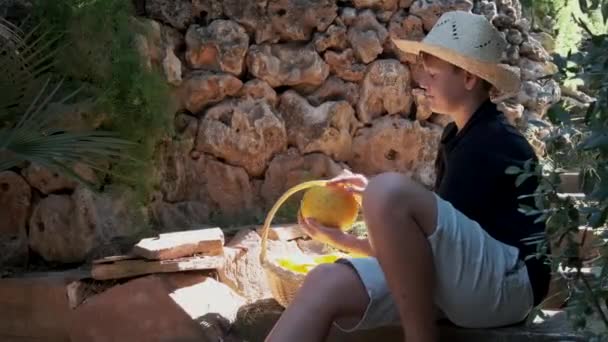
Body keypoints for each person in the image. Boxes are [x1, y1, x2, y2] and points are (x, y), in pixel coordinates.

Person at [265, 10, 551, 342]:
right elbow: (421, 254)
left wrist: (380, 199)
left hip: (510, 286)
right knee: (324, 282)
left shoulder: (493, 143)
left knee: (386, 190)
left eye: (432, 74)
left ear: (469, 79)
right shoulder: (459, 137)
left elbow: (433, 253)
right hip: (472, 282)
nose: (421, 82)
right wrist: (345, 239)